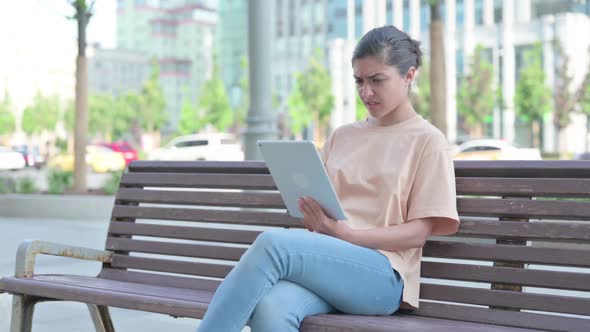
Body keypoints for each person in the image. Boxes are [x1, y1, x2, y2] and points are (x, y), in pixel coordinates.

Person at [197, 25, 460, 332]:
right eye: (359, 81)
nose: (366, 92)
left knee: (272, 245)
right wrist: (315, 217)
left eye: (377, 80)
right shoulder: (342, 136)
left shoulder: (428, 141)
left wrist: (348, 236)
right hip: (327, 265)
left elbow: (418, 233)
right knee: (272, 307)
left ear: (409, 76)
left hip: (382, 275)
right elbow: (323, 213)